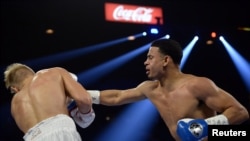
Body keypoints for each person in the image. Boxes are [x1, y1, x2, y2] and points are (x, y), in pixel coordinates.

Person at [87, 39, 249, 141]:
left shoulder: (197, 85)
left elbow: (240, 112)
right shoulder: (150, 88)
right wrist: (84, 95)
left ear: (165, 60)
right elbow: (117, 96)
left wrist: (202, 127)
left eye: (150, 57)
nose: (145, 62)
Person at [4, 63, 95, 141]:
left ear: (14, 89)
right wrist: (86, 115)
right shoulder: (53, 73)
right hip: (60, 132)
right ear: (32, 73)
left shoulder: (14, 104)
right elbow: (84, 99)